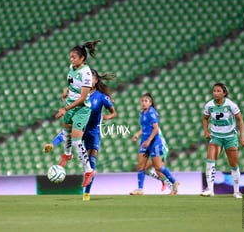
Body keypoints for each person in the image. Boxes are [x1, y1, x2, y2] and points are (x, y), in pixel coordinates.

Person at [44, 69, 117, 201]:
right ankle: (55, 146)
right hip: (80, 127)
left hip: (93, 132)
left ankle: (86, 194)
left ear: (95, 81)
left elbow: (114, 112)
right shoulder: (79, 95)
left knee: (91, 162)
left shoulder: (102, 97)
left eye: (91, 78)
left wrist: (106, 116)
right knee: (70, 133)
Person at [54, 40, 101, 189]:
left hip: (81, 108)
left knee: (76, 141)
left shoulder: (86, 73)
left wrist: (65, 109)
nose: (71, 59)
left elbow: (82, 98)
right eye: (71, 57)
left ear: (82, 58)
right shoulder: (72, 68)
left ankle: (89, 171)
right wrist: (66, 90)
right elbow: (72, 83)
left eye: (74, 57)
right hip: (70, 104)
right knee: (66, 128)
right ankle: (67, 154)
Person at [201, 83, 244, 198]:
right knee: (210, 161)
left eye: (218, 91)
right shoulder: (209, 105)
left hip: (230, 137)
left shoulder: (231, 105)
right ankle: (210, 190)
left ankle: (236, 191)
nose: (215, 93)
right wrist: (206, 131)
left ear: (224, 93)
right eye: (214, 91)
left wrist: (242, 136)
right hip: (216, 137)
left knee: (233, 164)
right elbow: (205, 118)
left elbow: (240, 120)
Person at [130, 92, 179, 195]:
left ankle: (174, 182)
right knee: (140, 166)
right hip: (144, 141)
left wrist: (148, 140)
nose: (143, 103)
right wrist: (137, 134)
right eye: (142, 101)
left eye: (146, 101)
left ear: (150, 103)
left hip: (154, 143)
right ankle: (140, 189)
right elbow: (145, 128)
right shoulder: (142, 113)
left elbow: (156, 128)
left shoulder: (152, 113)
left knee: (158, 167)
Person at [144, 128, 174, 193]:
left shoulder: (151, 123)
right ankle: (165, 181)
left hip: (161, 148)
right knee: (145, 169)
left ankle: (173, 187)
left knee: (158, 169)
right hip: (156, 148)